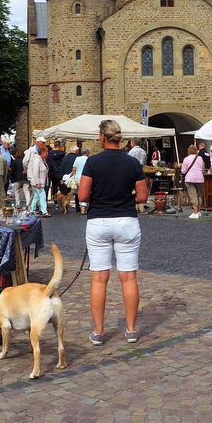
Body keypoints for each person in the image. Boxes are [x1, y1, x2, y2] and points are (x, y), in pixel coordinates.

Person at [77, 120, 148, 346]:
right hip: (126, 220)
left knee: (99, 278)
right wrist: (125, 199)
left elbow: (82, 195)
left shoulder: (92, 161)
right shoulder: (133, 163)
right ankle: (131, 330)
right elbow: (143, 197)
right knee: (128, 277)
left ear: (101, 137)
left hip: (99, 220)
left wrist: (97, 197)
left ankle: (98, 332)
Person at [181, 144, 205, 218]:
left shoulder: (186, 159)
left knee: (193, 195)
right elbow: (202, 169)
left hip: (190, 178)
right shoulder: (200, 158)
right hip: (200, 178)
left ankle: (195, 212)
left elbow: (183, 171)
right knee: (199, 195)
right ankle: (199, 211)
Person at [27, 141, 50, 216]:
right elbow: (35, 172)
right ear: (42, 152)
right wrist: (38, 182)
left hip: (41, 182)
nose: (47, 154)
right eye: (46, 152)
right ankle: (44, 211)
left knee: (36, 196)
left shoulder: (42, 161)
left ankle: (32, 209)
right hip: (38, 182)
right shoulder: (37, 161)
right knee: (42, 196)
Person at [47, 139, 65, 206]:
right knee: (62, 188)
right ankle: (62, 201)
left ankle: (55, 202)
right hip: (60, 172)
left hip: (52, 173)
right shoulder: (63, 154)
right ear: (60, 146)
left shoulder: (49, 154)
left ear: (54, 146)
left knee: (54, 187)